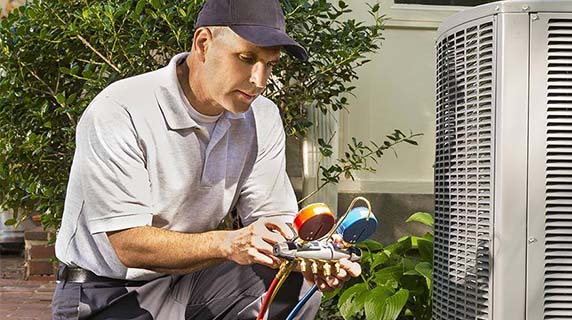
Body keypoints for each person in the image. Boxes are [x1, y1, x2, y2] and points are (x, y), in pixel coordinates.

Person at [52, 0, 361, 319]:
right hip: (104, 293)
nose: (259, 79)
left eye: (269, 64)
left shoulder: (262, 117)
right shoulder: (121, 110)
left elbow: (274, 222)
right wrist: (230, 243)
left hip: (189, 286)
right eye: (247, 58)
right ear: (203, 43)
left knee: (290, 280)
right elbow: (129, 245)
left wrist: (312, 254)